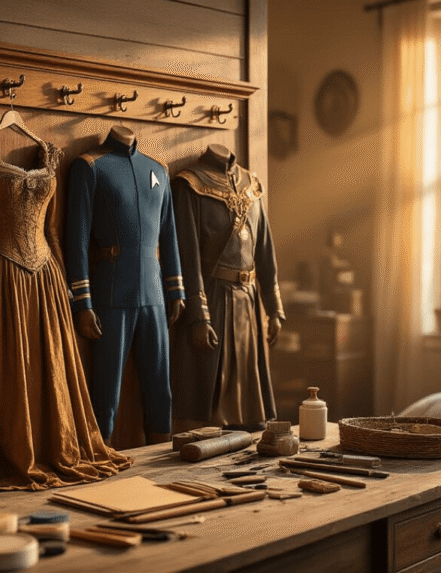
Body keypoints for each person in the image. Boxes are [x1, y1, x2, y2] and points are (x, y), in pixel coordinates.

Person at [0, 127, 131, 492]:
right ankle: (13, 450)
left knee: (52, 366)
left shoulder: (51, 156)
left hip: (47, 279)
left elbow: (54, 232)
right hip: (0, 277)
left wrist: (68, 290)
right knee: (8, 365)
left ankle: (54, 445)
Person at [64, 125, 186, 445]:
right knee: (106, 388)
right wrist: (83, 302)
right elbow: (76, 240)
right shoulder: (90, 166)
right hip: (112, 290)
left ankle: (160, 460)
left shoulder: (157, 169)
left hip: (155, 292)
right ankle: (100, 455)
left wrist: (176, 290)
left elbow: (169, 234)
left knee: (160, 387)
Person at [170, 144, 285, 432]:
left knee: (251, 409)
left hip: (249, 302)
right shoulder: (189, 184)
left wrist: (274, 308)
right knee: (210, 408)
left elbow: (264, 250)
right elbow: (188, 257)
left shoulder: (251, 184)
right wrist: (199, 317)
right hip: (213, 300)